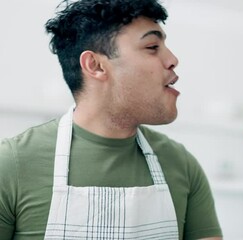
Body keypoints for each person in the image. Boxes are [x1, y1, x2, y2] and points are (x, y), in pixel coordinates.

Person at [0, 0, 223, 239]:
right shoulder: (12, 165)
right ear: (95, 65)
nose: (173, 59)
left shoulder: (183, 165)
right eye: (152, 46)